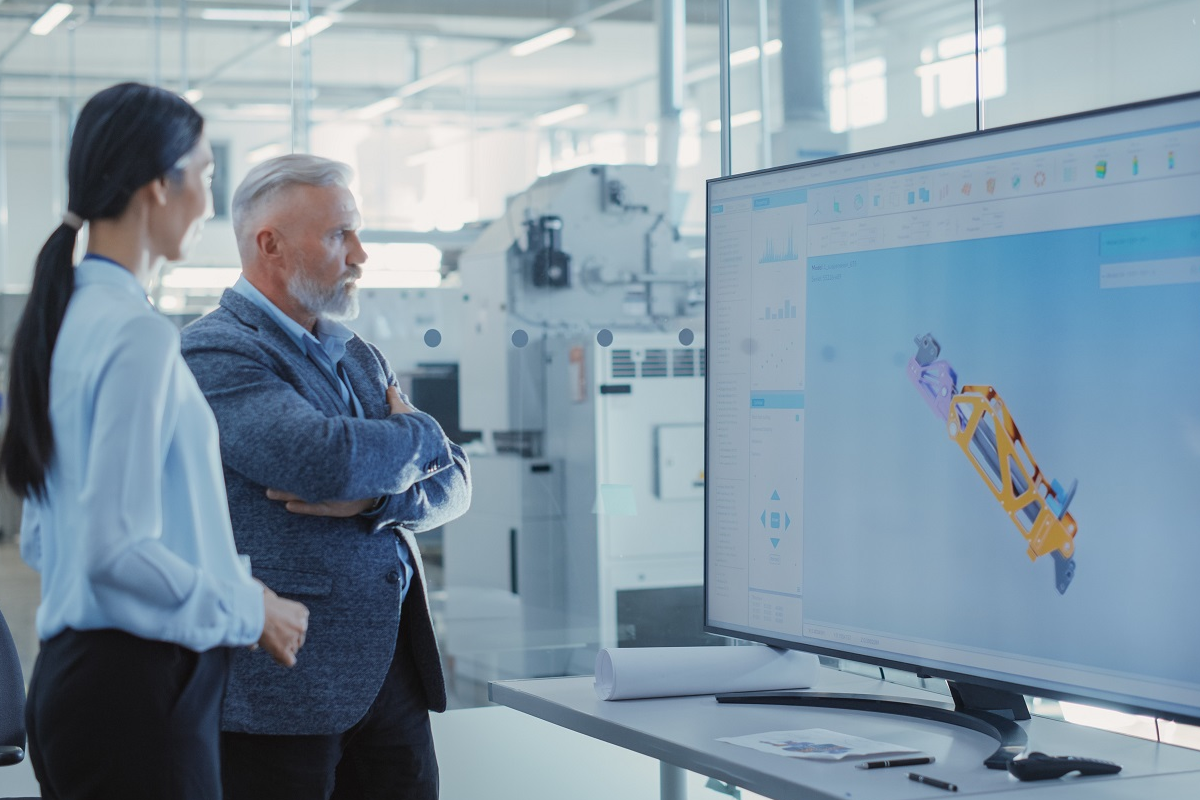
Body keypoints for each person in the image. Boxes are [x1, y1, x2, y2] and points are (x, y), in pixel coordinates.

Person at [0, 82, 310, 800]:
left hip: (81, 679)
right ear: (156, 185)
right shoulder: (135, 336)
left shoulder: (68, 315)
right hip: (138, 695)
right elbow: (117, 550)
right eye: (202, 175)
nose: (208, 200)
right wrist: (246, 605)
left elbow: (51, 541)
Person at [180, 153, 471, 800]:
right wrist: (420, 433)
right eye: (340, 234)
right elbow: (321, 461)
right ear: (271, 246)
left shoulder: (357, 353)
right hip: (286, 689)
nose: (360, 254)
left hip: (391, 678)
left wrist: (372, 500)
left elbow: (458, 482)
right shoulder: (216, 349)